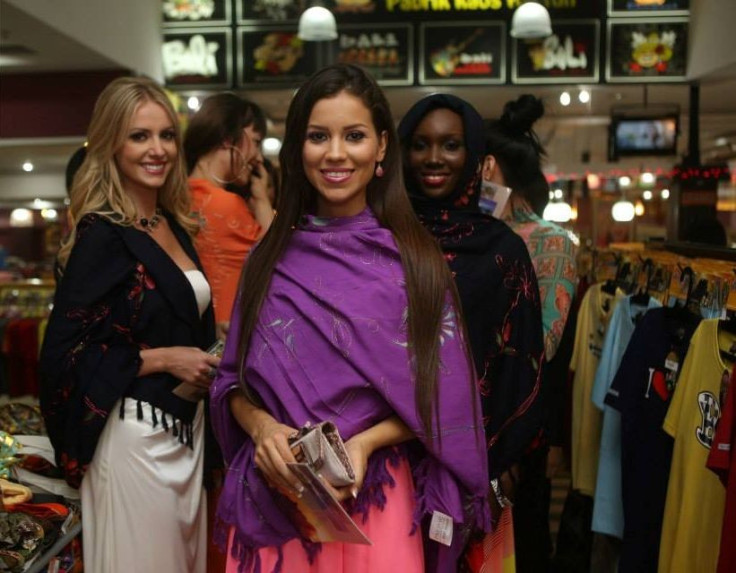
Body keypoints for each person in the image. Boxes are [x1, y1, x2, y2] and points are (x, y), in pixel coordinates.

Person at [210, 64, 490, 573]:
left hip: (377, 502)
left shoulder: (416, 263)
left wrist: (364, 443)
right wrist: (264, 429)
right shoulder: (267, 257)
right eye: (319, 136)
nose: (336, 153)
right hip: (280, 496)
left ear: (381, 146)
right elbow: (231, 381)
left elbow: (445, 396)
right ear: (298, 147)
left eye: (354, 136)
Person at [39, 76, 220, 572]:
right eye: (140, 136)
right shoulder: (102, 233)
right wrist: (163, 358)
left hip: (186, 433)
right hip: (133, 441)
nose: (157, 149)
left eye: (166, 135)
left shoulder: (173, 223)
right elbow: (61, 358)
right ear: (111, 144)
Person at [398, 94, 545, 569]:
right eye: (420, 145)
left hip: (479, 465)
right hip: (385, 459)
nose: (434, 158)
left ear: (475, 157)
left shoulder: (503, 251)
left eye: (450, 145)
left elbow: (522, 360)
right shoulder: (379, 240)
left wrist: (498, 467)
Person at [483, 94, 578, 572]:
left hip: (520, 423)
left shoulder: (551, 241)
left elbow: (547, 343)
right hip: (463, 420)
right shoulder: (465, 232)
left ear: (491, 167)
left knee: (524, 538)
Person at [185, 93, 275, 341]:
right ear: (227, 139)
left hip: (197, 332)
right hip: (233, 336)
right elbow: (280, 258)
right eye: (255, 142)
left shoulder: (179, 196)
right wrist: (262, 201)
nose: (257, 157)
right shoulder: (226, 204)